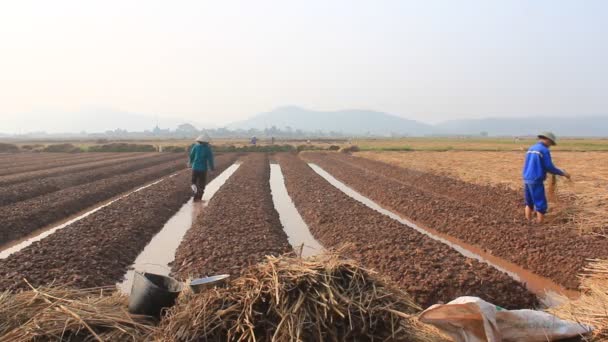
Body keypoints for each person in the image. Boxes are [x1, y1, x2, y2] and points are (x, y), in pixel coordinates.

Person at [522, 132, 571, 223]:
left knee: (529, 202)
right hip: (536, 179)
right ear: (548, 140)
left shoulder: (531, 148)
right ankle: (540, 225)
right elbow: (549, 167)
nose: (550, 146)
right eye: (551, 143)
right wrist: (563, 173)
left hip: (526, 178)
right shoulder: (544, 150)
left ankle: (527, 221)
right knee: (540, 203)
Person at [189, 135, 214, 201]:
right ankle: (199, 198)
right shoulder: (208, 149)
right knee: (201, 184)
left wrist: (190, 163)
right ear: (206, 142)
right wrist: (212, 169)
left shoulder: (195, 147)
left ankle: (195, 193)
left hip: (195, 168)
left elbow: (191, 156)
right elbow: (210, 160)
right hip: (203, 169)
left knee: (193, 182)